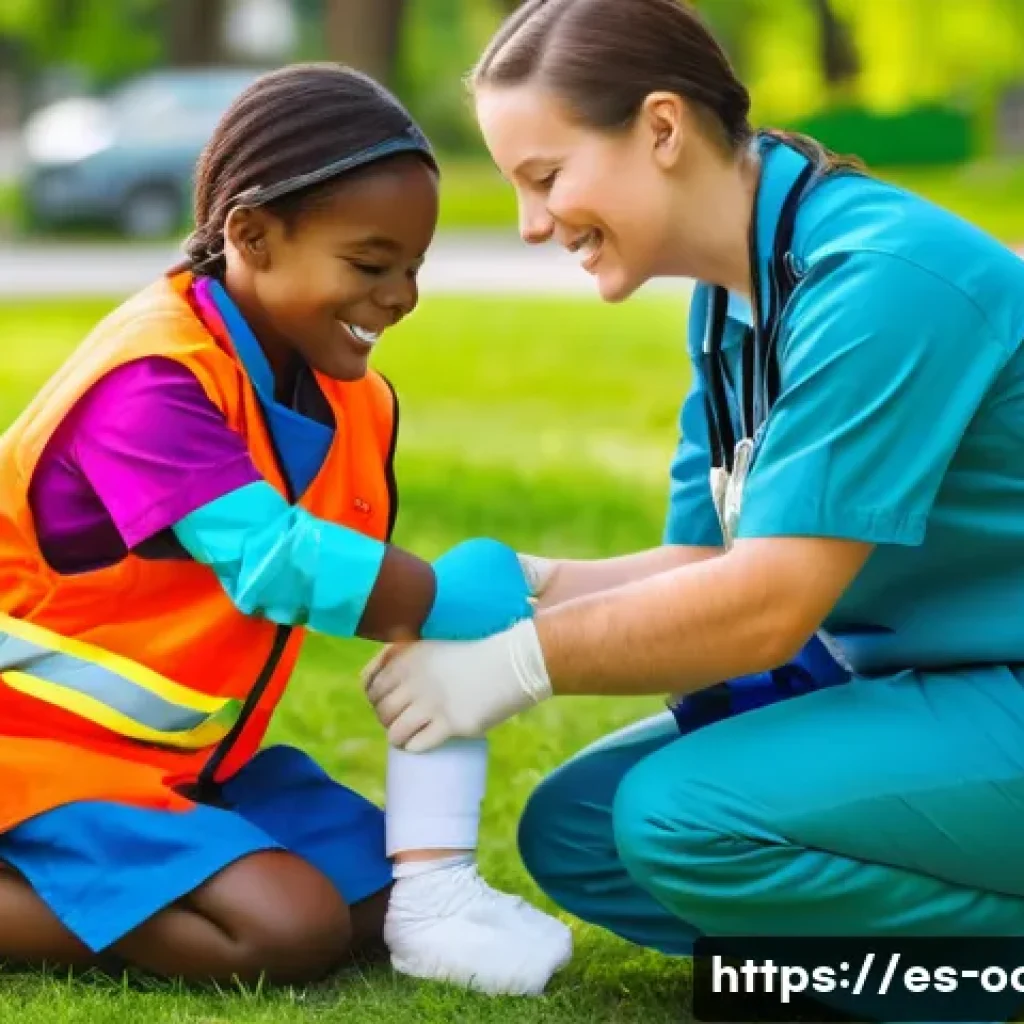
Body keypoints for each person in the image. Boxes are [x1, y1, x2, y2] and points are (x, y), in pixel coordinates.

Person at [365, 0, 1024, 1019]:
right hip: (947, 689)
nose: (533, 224)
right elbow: (704, 560)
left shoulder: (881, 284)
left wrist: (511, 665)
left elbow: (763, 611)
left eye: (545, 179)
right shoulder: (731, 301)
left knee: (680, 820)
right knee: (578, 833)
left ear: (662, 130)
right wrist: (533, 583)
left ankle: (976, 976)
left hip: (1001, 694)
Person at [0, 63, 571, 996]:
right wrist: (438, 595)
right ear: (252, 237)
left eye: (413, 269)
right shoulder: (148, 381)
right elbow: (272, 560)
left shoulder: (350, 398)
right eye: (370, 264)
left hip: (190, 768)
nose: (400, 298)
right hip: (35, 756)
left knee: (383, 899)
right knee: (289, 929)